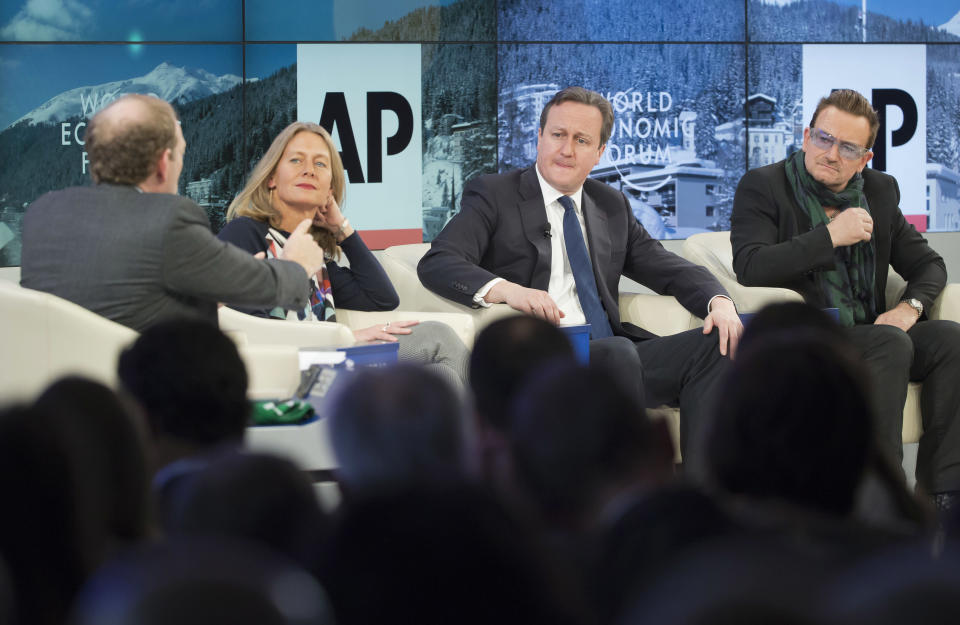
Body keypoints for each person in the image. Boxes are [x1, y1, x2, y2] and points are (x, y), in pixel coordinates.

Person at [418, 86, 742, 452]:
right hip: (539, 359)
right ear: (539, 137)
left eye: (582, 140)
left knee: (717, 344)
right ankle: (627, 492)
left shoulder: (611, 204)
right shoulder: (494, 194)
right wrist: (508, 290)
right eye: (558, 135)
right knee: (618, 353)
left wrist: (719, 301)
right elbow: (440, 260)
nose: (567, 149)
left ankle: (704, 498)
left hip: (612, 352)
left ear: (599, 152)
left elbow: (667, 266)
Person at [730, 88, 960, 511]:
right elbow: (751, 265)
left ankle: (942, 500)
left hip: (873, 332)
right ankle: (878, 500)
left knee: (950, 339)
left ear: (865, 158)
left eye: (847, 147)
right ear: (806, 136)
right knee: (889, 344)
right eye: (823, 138)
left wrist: (908, 310)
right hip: (808, 340)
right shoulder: (764, 186)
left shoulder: (879, 191)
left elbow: (929, 266)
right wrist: (830, 236)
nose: (831, 153)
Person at [20, 94, 325, 332]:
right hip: (139, 398)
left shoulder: (42, 214)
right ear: (164, 163)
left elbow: (115, 296)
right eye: (181, 154)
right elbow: (271, 287)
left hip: (56, 398)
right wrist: (297, 266)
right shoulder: (169, 219)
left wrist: (206, 294)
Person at [218, 121, 469, 388]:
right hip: (291, 371)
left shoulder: (315, 254)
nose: (308, 170)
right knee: (437, 338)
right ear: (271, 178)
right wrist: (349, 337)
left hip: (331, 360)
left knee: (440, 371)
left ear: (330, 190)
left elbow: (382, 298)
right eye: (295, 160)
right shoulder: (244, 233)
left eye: (320, 164)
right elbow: (251, 331)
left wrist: (342, 229)